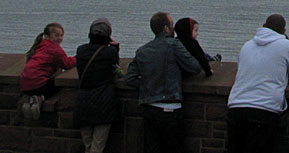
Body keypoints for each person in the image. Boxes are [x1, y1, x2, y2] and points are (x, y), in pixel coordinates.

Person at [227, 13, 289, 153]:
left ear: (264, 26)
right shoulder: (285, 45)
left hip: (236, 106)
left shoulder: (247, 46)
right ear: (284, 31)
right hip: (264, 108)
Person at [124, 12, 202, 153]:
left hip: (150, 109)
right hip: (171, 109)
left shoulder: (142, 51)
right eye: (172, 25)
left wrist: (148, 85)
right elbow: (195, 67)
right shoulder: (173, 45)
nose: (174, 29)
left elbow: (129, 79)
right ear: (166, 28)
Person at [75, 18, 120, 153]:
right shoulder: (110, 52)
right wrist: (115, 48)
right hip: (103, 103)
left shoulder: (81, 50)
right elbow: (115, 68)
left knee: (88, 146)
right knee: (97, 147)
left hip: (83, 102)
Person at [19, 22, 76, 120]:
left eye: (61, 35)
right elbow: (67, 64)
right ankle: (40, 98)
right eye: (56, 35)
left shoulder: (40, 46)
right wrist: (79, 57)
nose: (59, 38)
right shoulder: (55, 49)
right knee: (58, 85)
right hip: (38, 86)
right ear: (47, 36)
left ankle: (29, 98)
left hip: (24, 85)